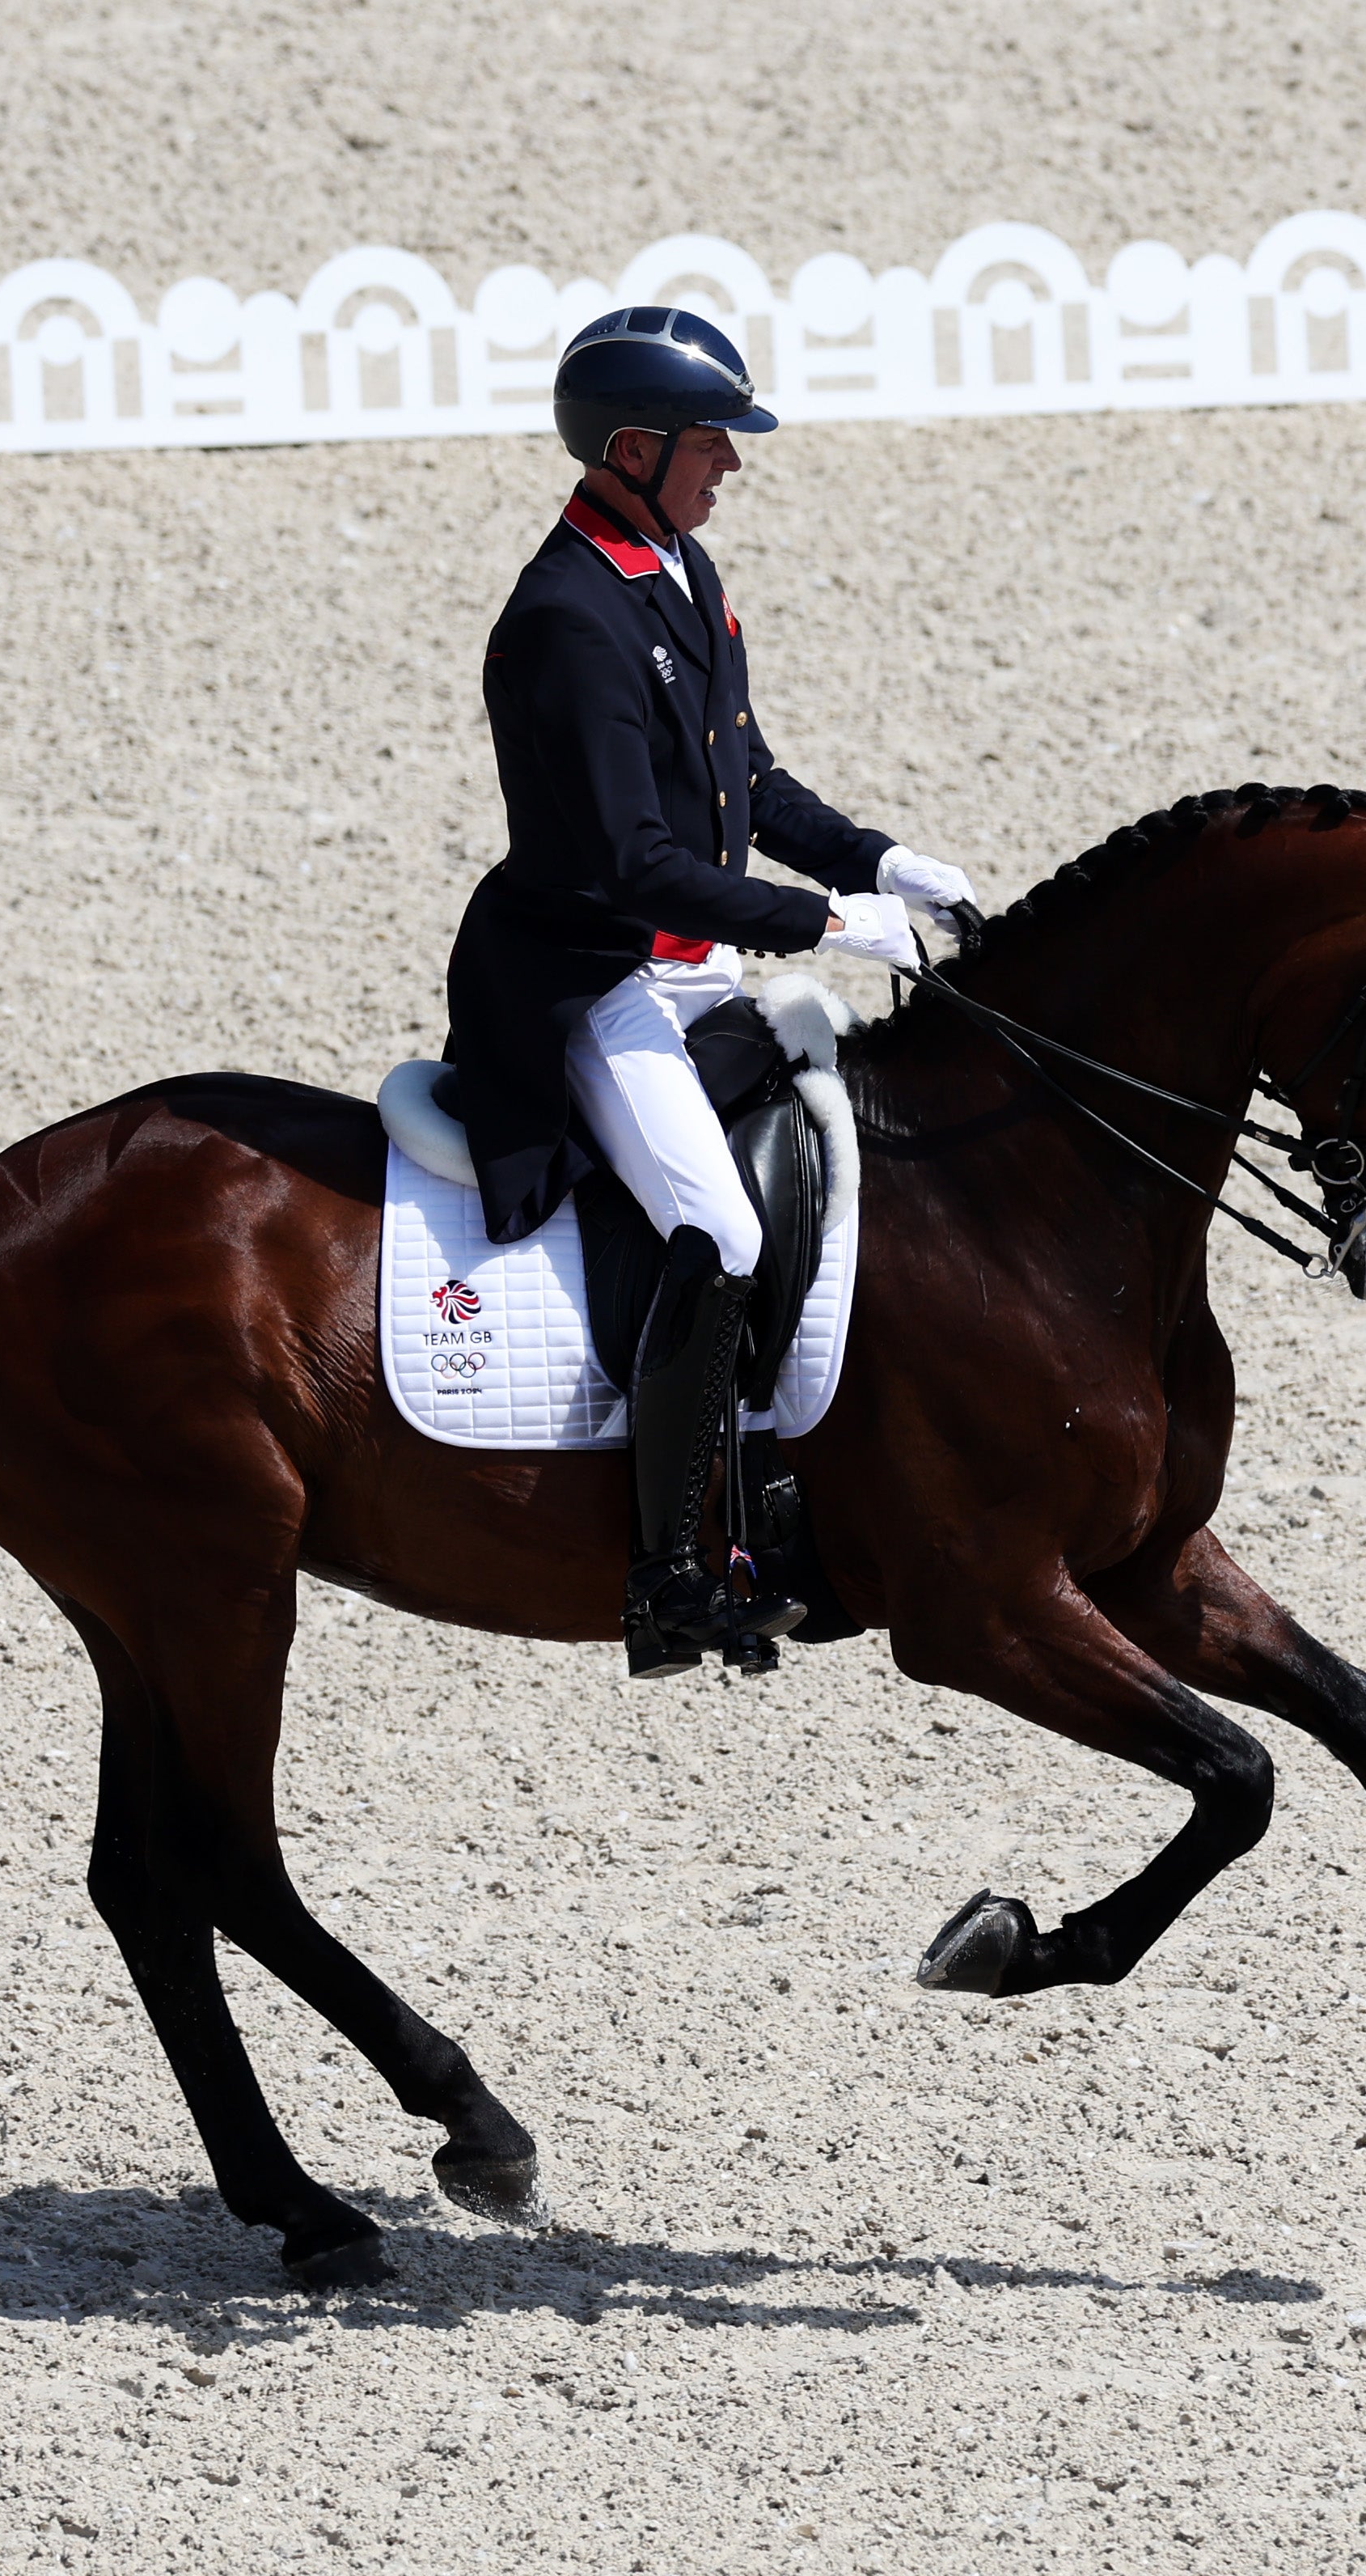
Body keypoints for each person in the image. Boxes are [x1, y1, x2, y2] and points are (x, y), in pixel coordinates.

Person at [441, 307, 972, 1678]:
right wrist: (823, 923)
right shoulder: (566, 618)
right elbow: (635, 859)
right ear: (633, 448)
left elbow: (750, 783)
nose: (730, 464)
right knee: (719, 1230)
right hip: (596, 982)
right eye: (711, 444)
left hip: (697, 973)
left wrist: (880, 860)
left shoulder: (679, 567)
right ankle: (672, 1573)